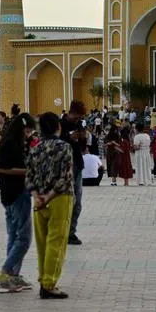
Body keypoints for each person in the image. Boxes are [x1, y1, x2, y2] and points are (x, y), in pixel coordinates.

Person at [27, 113, 74, 299]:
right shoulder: (64, 147)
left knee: (42, 241)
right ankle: (49, 283)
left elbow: (29, 176)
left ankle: (43, 279)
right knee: (57, 240)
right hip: (59, 197)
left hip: (38, 199)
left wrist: (37, 196)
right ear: (58, 127)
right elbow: (66, 176)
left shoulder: (35, 148)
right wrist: (49, 196)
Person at [0, 113, 34, 294]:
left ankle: (13, 275)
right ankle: (4, 274)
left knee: (13, 235)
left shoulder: (12, 142)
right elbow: (2, 168)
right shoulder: (9, 143)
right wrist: (27, 171)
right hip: (16, 193)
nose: (28, 134)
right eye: (27, 130)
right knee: (24, 238)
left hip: (10, 193)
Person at [61, 101, 87, 245]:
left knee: (77, 203)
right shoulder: (60, 125)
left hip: (77, 164)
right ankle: (63, 231)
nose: (78, 120)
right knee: (69, 200)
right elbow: (55, 142)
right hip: (65, 166)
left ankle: (71, 232)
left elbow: (82, 148)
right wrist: (68, 138)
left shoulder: (78, 125)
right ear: (71, 112)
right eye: (76, 117)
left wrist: (83, 138)